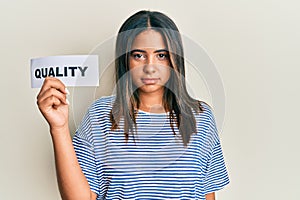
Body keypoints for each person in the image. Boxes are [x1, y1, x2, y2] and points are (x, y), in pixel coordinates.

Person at [37, 10, 229, 200]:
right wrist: (59, 127)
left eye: (161, 55)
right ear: (125, 60)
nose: (150, 66)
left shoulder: (201, 118)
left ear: (174, 59)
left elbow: (207, 195)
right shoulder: (101, 116)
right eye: (138, 55)